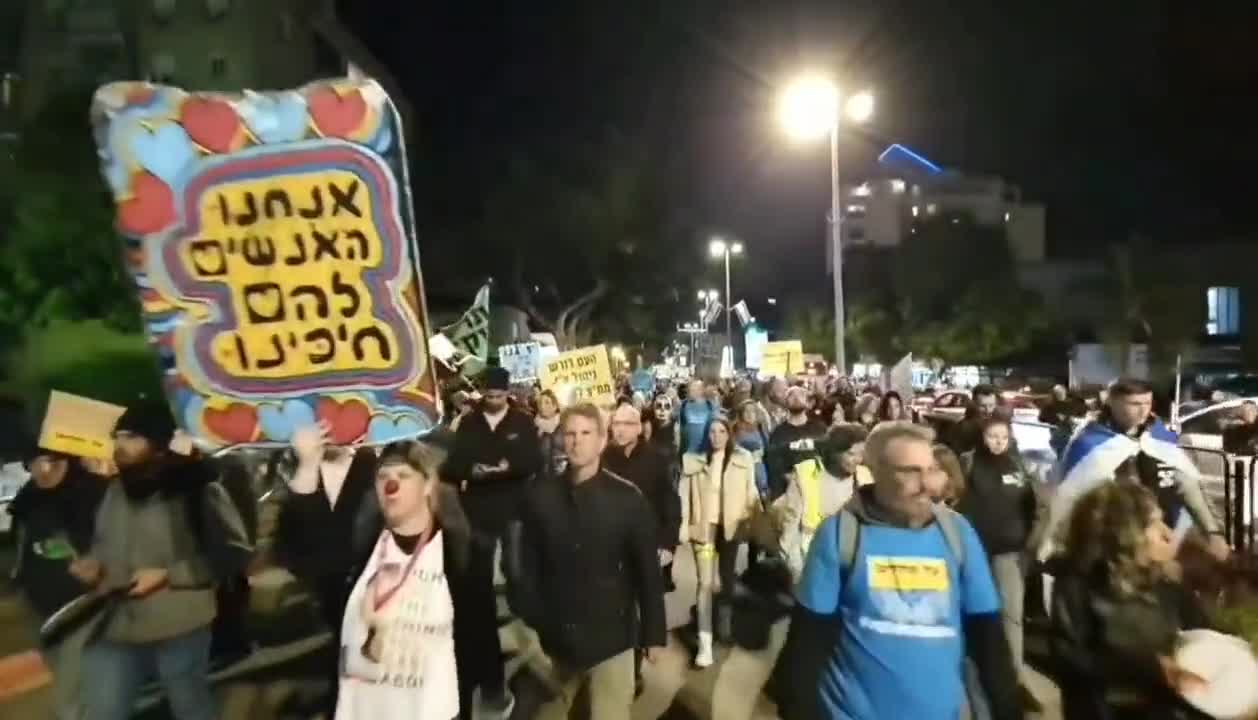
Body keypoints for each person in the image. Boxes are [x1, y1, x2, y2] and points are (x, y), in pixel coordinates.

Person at [779, 421, 1022, 720]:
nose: (927, 484)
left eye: (930, 469)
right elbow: (807, 643)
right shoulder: (840, 534)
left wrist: (1008, 708)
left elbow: (989, 639)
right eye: (910, 471)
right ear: (876, 472)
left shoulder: (958, 534)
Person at [283, 425, 475, 720]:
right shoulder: (365, 545)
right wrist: (308, 466)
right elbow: (315, 552)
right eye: (383, 477)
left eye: (403, 476)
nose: (391, 485)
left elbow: (471, 637)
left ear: (427, 486)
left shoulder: (454, 550)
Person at [77, 402, 252, 720]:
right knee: (103, 710)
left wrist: (169, 575)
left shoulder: (196, 489)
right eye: (117, 436)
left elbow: (233, 552)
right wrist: (94, 564)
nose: (119, 446)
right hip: (116, 624)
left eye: (131, 437)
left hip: (180, 625)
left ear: (157, 443)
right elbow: (106, 542)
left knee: (190, 708)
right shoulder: (115, 490)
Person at [510, 403, 667, 720]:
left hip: (612, 640)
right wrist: (533, 617)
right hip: (556, 641)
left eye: (585, 433)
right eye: (569, 433)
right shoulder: (541, 496)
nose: (577, 441)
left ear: (600, 440)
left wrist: (653, 633)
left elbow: (648, 572)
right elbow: (527, 564)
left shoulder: (628, 499)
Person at [1050, 482, 1213, 720]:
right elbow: (1071, 662)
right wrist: (1152, 668)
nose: (1168, 533)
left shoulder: (1165, 582)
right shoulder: (1077, 585)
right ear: (1125, 533)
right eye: (1153, 524)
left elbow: (1205, 636)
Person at [1045, 378, 1228, 563]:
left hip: (1164, 541)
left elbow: (1188, 485)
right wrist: (1052, 544)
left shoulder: (1160, 436)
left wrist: (1213, 532)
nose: (1143, 410)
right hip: (1111, 547)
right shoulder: (1089, 443)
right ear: (1113, 403)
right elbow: (1067, 497)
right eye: (1134, 404)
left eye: (1147, 403)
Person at [444, 366, 541, 714]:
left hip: (514, 508)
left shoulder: (523, 423)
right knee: (477, 577)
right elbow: (455, 464)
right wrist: (476, 471)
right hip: (479, 512)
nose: (494, 402)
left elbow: (532, 460)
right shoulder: (469, 424)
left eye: (499, 397)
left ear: (507, 394)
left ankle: (526, 618)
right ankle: (484, 622)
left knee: (514, 568)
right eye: (489, 396)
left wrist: (505, 469)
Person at [274, 427, 379, 712]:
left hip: (374, 584)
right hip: (328, 584)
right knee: (343, 646)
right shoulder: (297, 470)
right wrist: (307, 466)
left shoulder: (376, 465)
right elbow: (292, 533)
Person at [957, 416, 1049, 712]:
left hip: (1009, 553)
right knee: (974, 616)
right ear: (982, 437)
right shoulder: (968, 462)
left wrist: (1032, 542)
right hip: (974, 553)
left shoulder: (1020, 466)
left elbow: (1038, 506)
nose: (997, 442)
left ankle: (1016, 680)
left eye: (1003, 437)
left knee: (1012, 616)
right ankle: (975, 679)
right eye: (992, 436)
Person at [7, 445, 106, 720]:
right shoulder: (29, 498)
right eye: (33, 463)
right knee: (62, 671)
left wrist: (98, 566)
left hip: (83, 605)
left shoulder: (96, 493)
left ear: (71, 461)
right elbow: (22, 544)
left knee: (71, 689)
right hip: (39, 605)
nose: (43, 470)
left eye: (53, 462)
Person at [679, 416, 760, 666]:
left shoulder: (742, 459)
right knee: (704, 583)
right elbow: (683, 497)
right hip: (704, 530)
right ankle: (705, 644)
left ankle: (723, 624)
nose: (716, 436)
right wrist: (683, 526)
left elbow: (751, 492)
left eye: (721, 431)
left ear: (729, 433)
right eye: (712, 431)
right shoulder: (694, 462)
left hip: (730, 528)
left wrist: (754, 520)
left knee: (726, 579)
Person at [779, 423, 868, 580]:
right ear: (834, 451)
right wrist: (798, 572)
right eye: (851, 454)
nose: (858, 460)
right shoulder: (806, 474)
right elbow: (790, 529)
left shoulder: (865, 477)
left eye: (861, 454)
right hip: (811, 559)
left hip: (853, 566)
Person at [766, 386, 827, 500]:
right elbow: (773, 464)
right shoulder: (778, 434)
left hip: (818, 490)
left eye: (801, 395)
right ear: (786, 402)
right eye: (791, 395)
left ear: (807, 402)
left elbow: (829, 455)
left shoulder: (820, 429)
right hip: (790, 493)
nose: (796, 398)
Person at [733, 400, 771, 498]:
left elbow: (767, 449)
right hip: (742, 470)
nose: (750, 414)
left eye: (752, 411)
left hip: (760, 469)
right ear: (741, 414)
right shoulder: (735, 429)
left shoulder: (761, 428)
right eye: (746, 411)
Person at [678, 379, 720, 457]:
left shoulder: (710, 406)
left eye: (695, 388)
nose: (691, 391)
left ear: (701, 390)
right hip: (687, 453)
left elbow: (716, 425)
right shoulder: (683, 405)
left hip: (705, 453)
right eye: (690, 388)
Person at [534, 389, 565, 479]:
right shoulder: (534, 427)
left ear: (555, 405)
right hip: (545, 478)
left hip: (566, 476)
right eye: (540, 403)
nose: (542, 406)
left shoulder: (565, 424)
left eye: (547, 402)